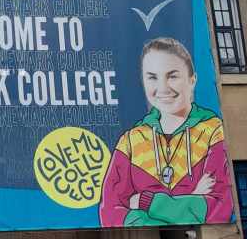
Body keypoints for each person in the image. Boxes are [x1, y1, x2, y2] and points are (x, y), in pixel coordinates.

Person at [99, 37, 234, 227]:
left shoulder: (213, 130)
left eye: (172, 76)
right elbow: (110, 213)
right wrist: (189, 199)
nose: (162, 88)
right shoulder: (130, 140)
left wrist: (146, 202)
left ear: (192, 79)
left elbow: (218, 207)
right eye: (152, 77)